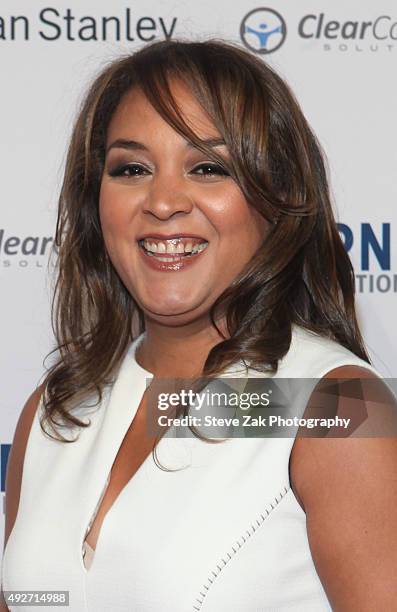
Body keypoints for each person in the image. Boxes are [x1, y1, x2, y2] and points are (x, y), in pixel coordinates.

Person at [1, 38, 397, 611]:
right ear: (96, 204)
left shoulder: (338, 404)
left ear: (277, 198)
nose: (163, 201)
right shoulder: (57, 408)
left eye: (208, 167)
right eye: (131, 168)